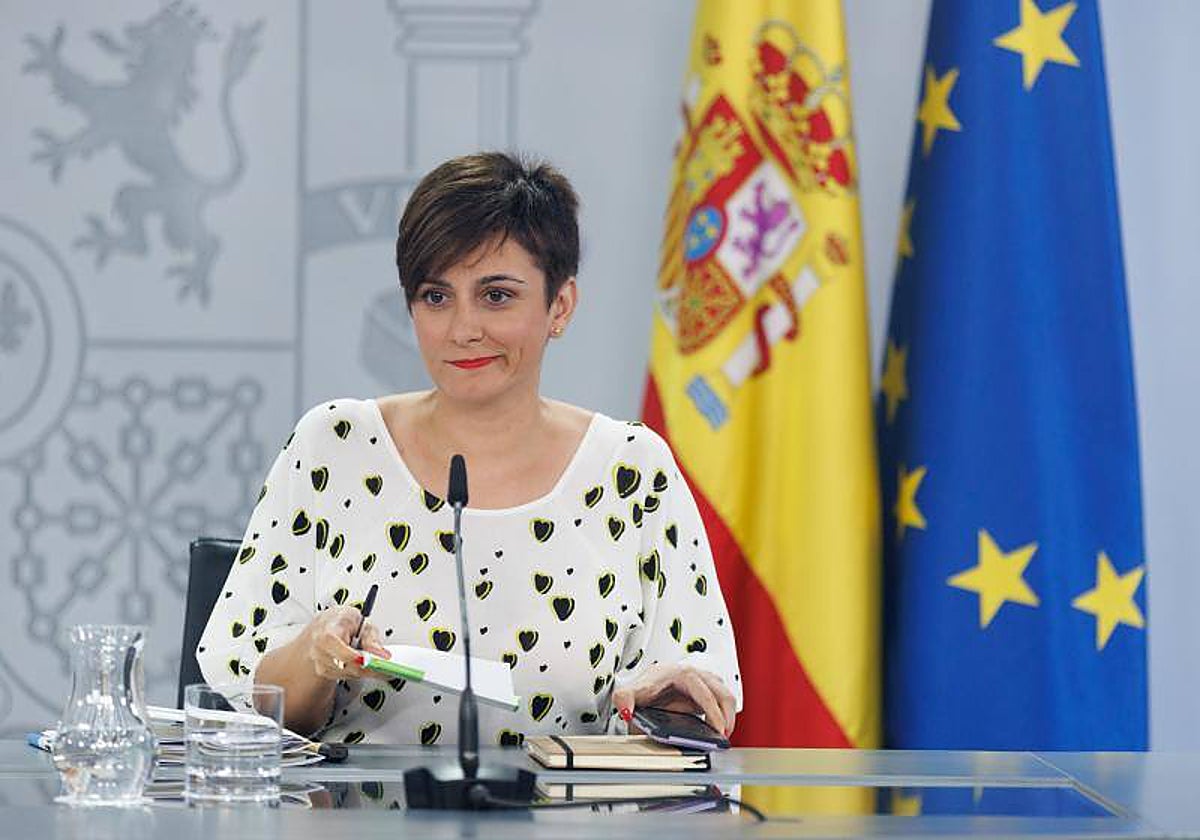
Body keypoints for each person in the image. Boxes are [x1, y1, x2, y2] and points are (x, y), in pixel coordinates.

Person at [197, 152, 742, 746]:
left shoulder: (632, 471)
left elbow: (692, 709)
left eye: (497, 296)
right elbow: (254, 710)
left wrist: (668, 706)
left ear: (559, 305)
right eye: (436, 296)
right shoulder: (335, 446)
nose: (462, 329)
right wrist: (315, 654)